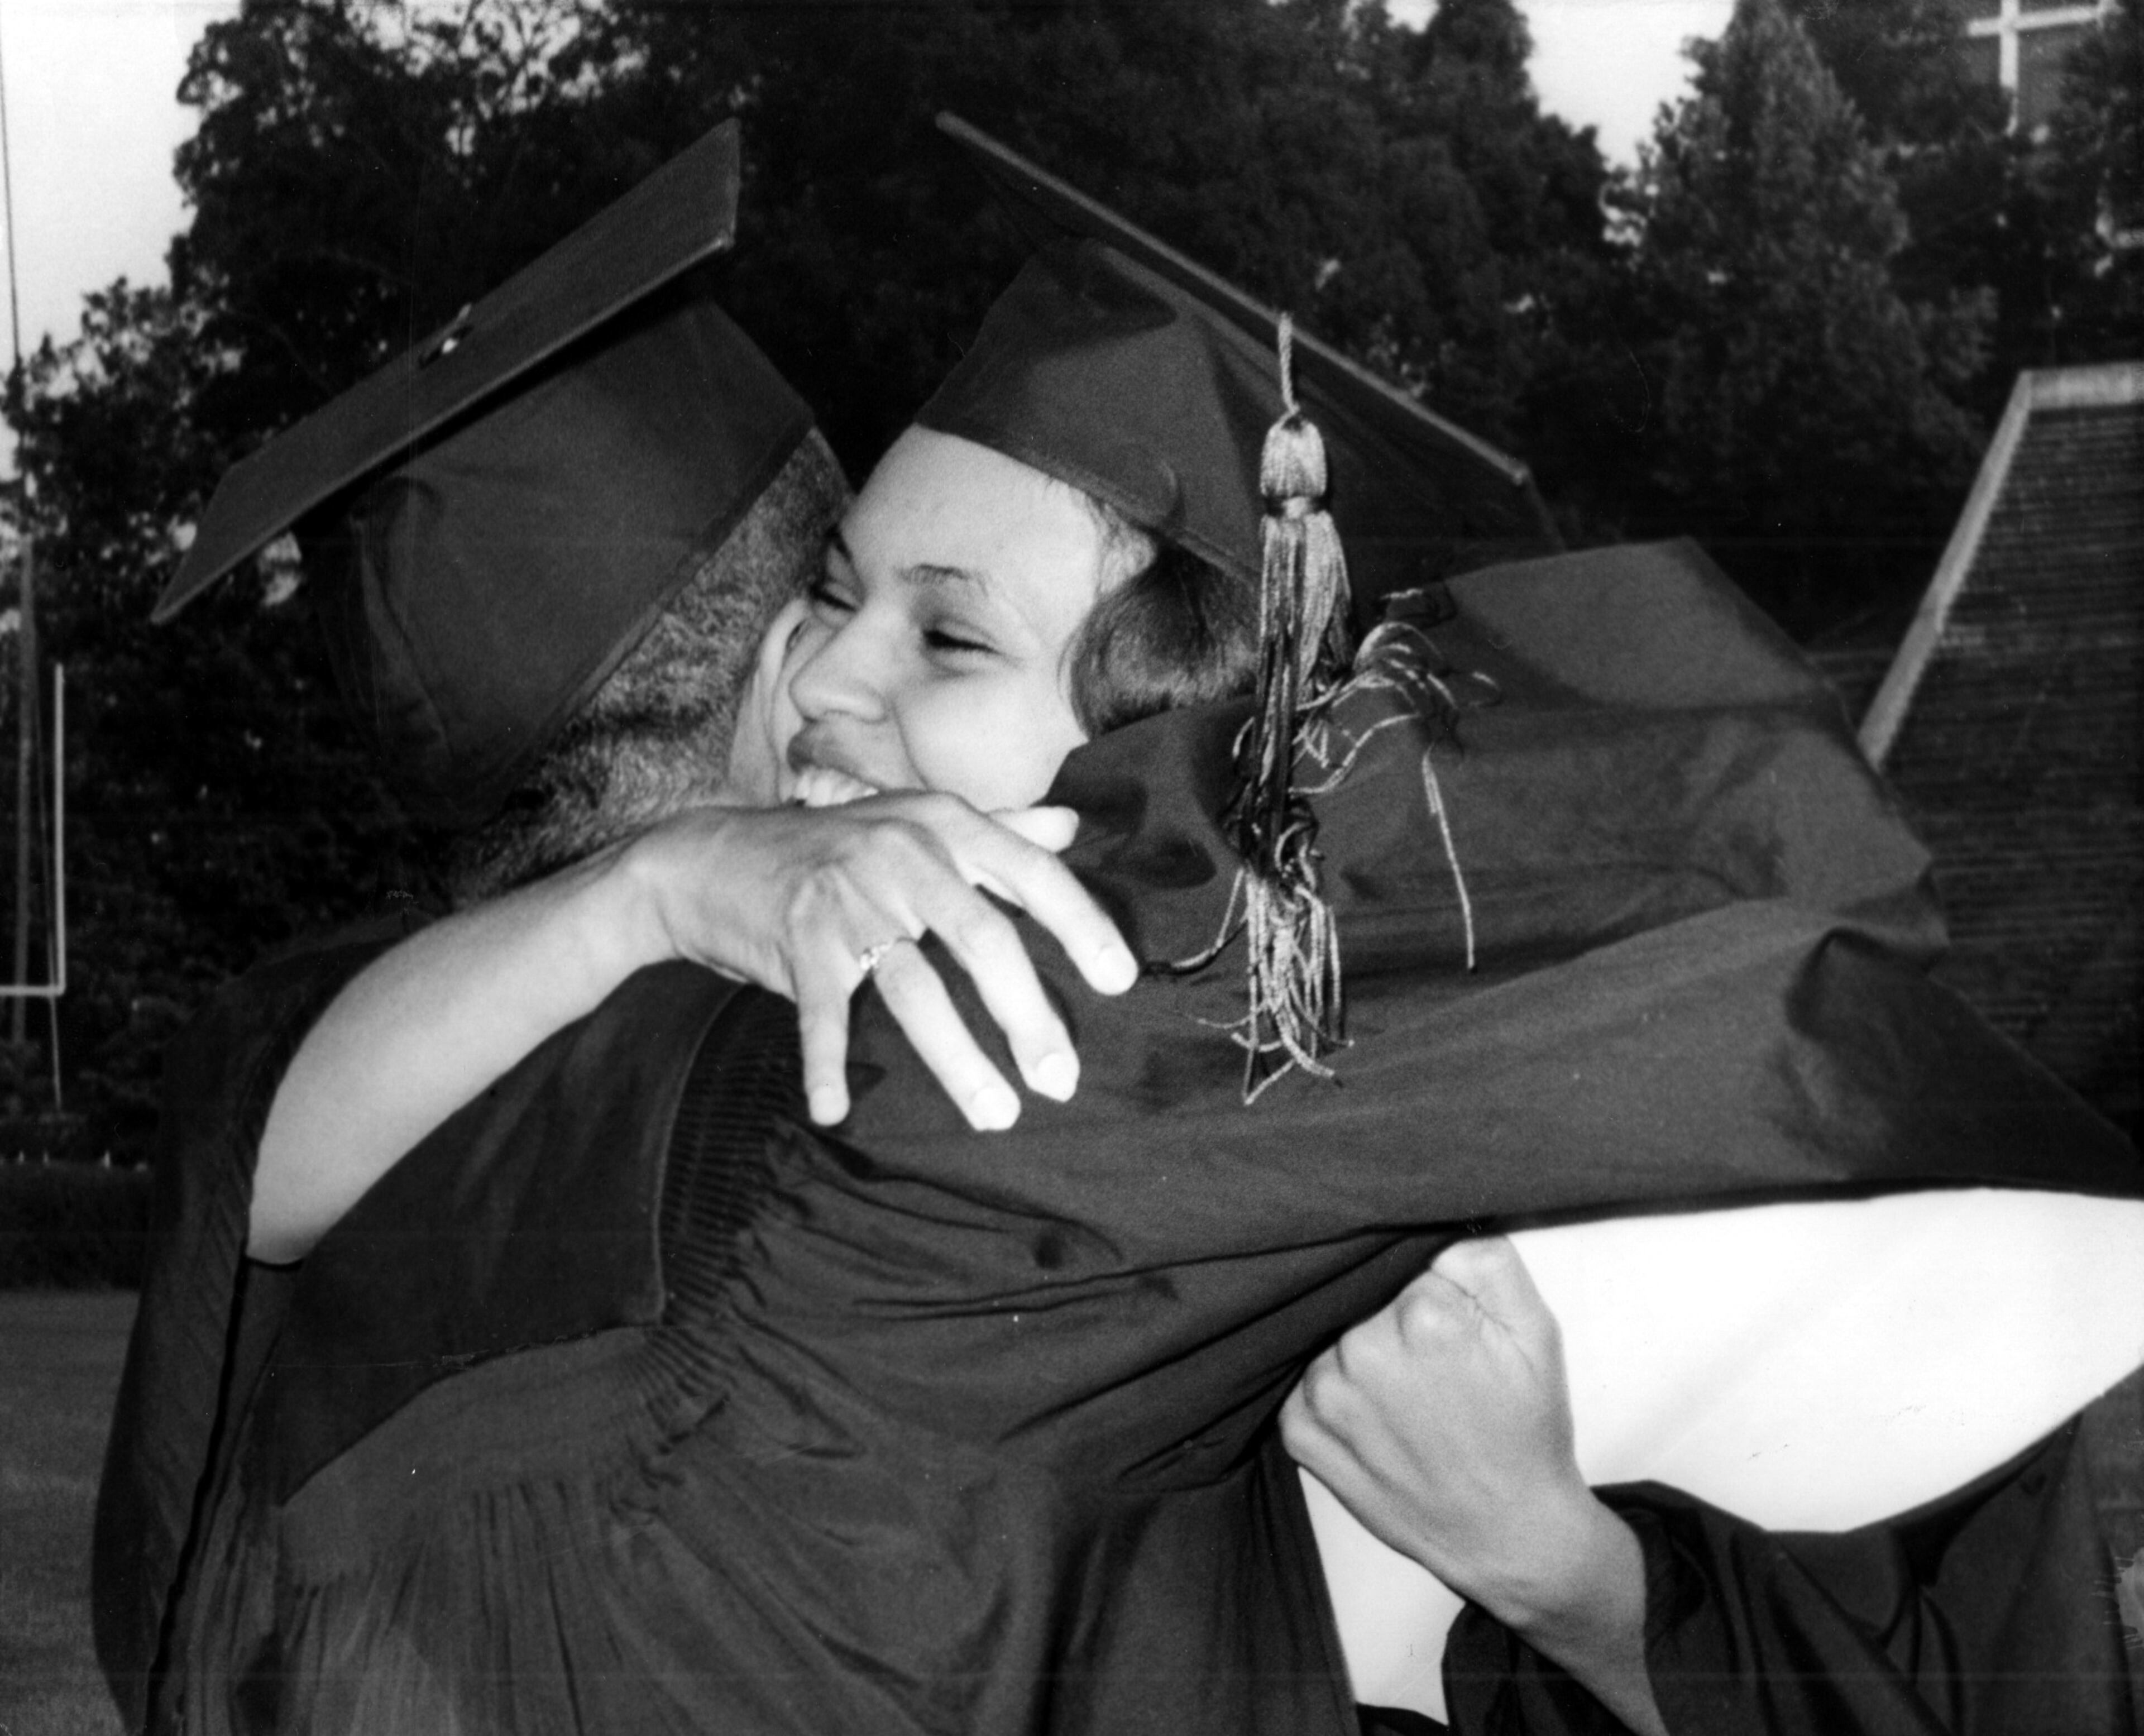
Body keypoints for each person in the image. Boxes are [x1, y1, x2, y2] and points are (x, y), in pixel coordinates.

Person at [99, 117, 2143, 1736]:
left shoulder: (390, 1090)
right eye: (825, 598)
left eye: (931, 627)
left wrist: (1567, 1575)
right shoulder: (978, 1057)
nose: (820, 692)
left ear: (1191, 744)